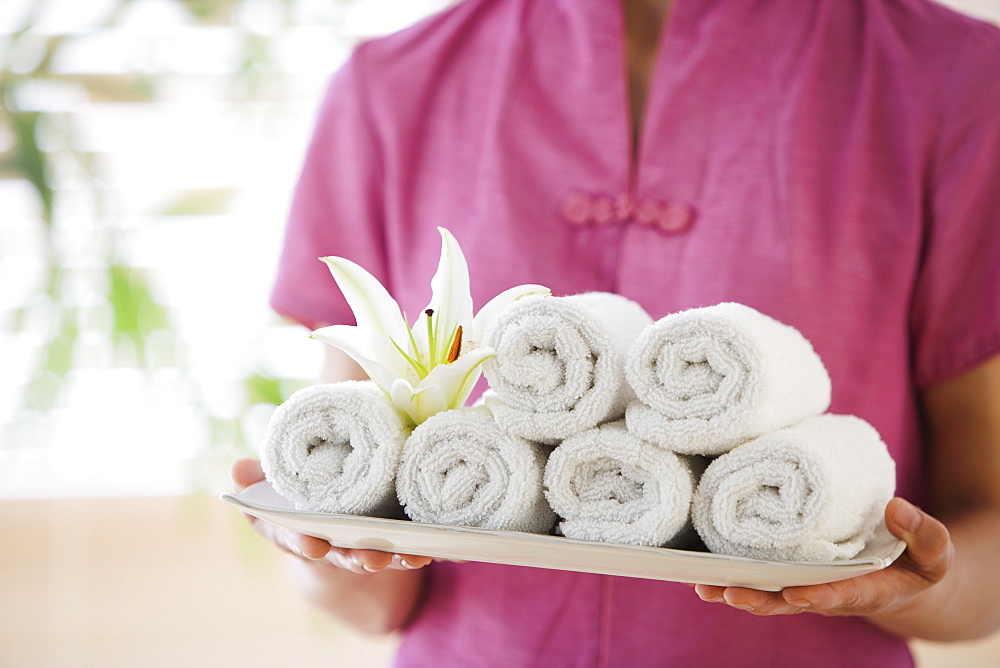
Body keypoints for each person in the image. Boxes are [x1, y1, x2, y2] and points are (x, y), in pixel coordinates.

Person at [232, 0, 1000, 664]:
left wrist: (900, 588)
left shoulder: (954, 82)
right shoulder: (391, 91)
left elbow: (984, 541)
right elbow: (372, 601)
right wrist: (322, 539)